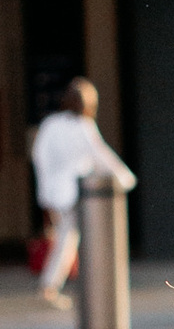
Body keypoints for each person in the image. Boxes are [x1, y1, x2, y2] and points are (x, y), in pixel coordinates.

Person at [30, 78, 130, 305]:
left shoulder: (51, 124)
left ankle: (54, 285)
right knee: (69, 239)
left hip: (55, 194)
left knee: (67, 238)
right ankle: (53, 286)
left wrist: (45, 193)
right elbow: (101, 156)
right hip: (74, 195)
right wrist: (125, 178)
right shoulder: (81, 126)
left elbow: (40, 158)